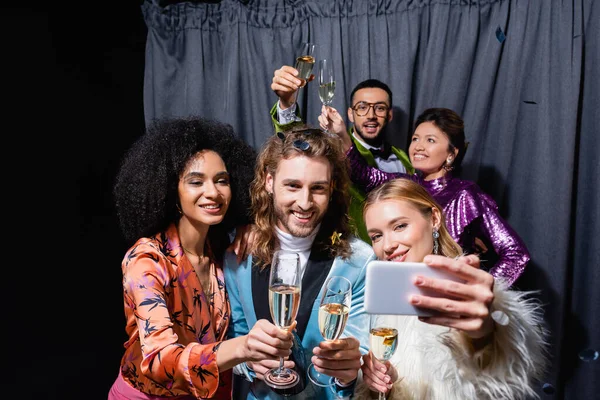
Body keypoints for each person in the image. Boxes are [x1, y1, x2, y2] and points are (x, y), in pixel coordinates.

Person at [109, 116, 295, 400]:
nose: (213, 192)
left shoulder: (222, 251)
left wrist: (250, 225)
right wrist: (242, 348)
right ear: (172, 191)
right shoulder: (146, 260)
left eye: (222, 181)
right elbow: (160, 361)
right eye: (196, 181)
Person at [355, 178, 548, 399]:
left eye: (400, 226)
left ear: (434, 218)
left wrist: (483, 337)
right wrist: (381, 381)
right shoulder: (384, 306)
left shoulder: (469, 292)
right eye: (376, 236)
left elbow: (497, 365)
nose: (387, 245)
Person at [223, 124, 377, 399]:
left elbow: (361, 355)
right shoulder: (238, 253)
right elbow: (233, 335)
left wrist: (349, 370)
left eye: (317, 188)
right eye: (292, 186)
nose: (305, 203)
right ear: (269, 182)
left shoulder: (359, 260)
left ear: (332, 189)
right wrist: (247, 362)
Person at [322, 107, 530, 286]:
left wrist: (480, 291)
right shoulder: (405, 185)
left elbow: (516, 254)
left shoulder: (465, 194)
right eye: (415, 139)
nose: (418, 146)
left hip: (445, 300)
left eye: (430, 140)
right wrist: (341, 134)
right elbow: (363, 174)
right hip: (401, 294)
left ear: (451, 153)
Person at [270, 65, 413, 242]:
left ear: (389, 115)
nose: (371, 115)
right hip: (348, 253)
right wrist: (287, 102)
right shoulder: (334, 149)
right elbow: (294, 142)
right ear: (350, 114)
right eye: (362, 107)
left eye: (380, 108)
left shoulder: (403, 158)